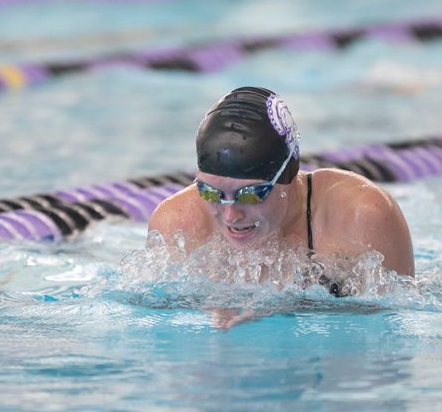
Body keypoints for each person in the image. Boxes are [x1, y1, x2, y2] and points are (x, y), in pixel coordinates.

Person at [147, 87, 415, 290]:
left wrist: (274, 310)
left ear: (288, 173)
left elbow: (393, 321)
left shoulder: (361, 215)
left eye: (251, 194)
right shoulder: (177, 224)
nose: (230, 216)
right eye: (210, 192)